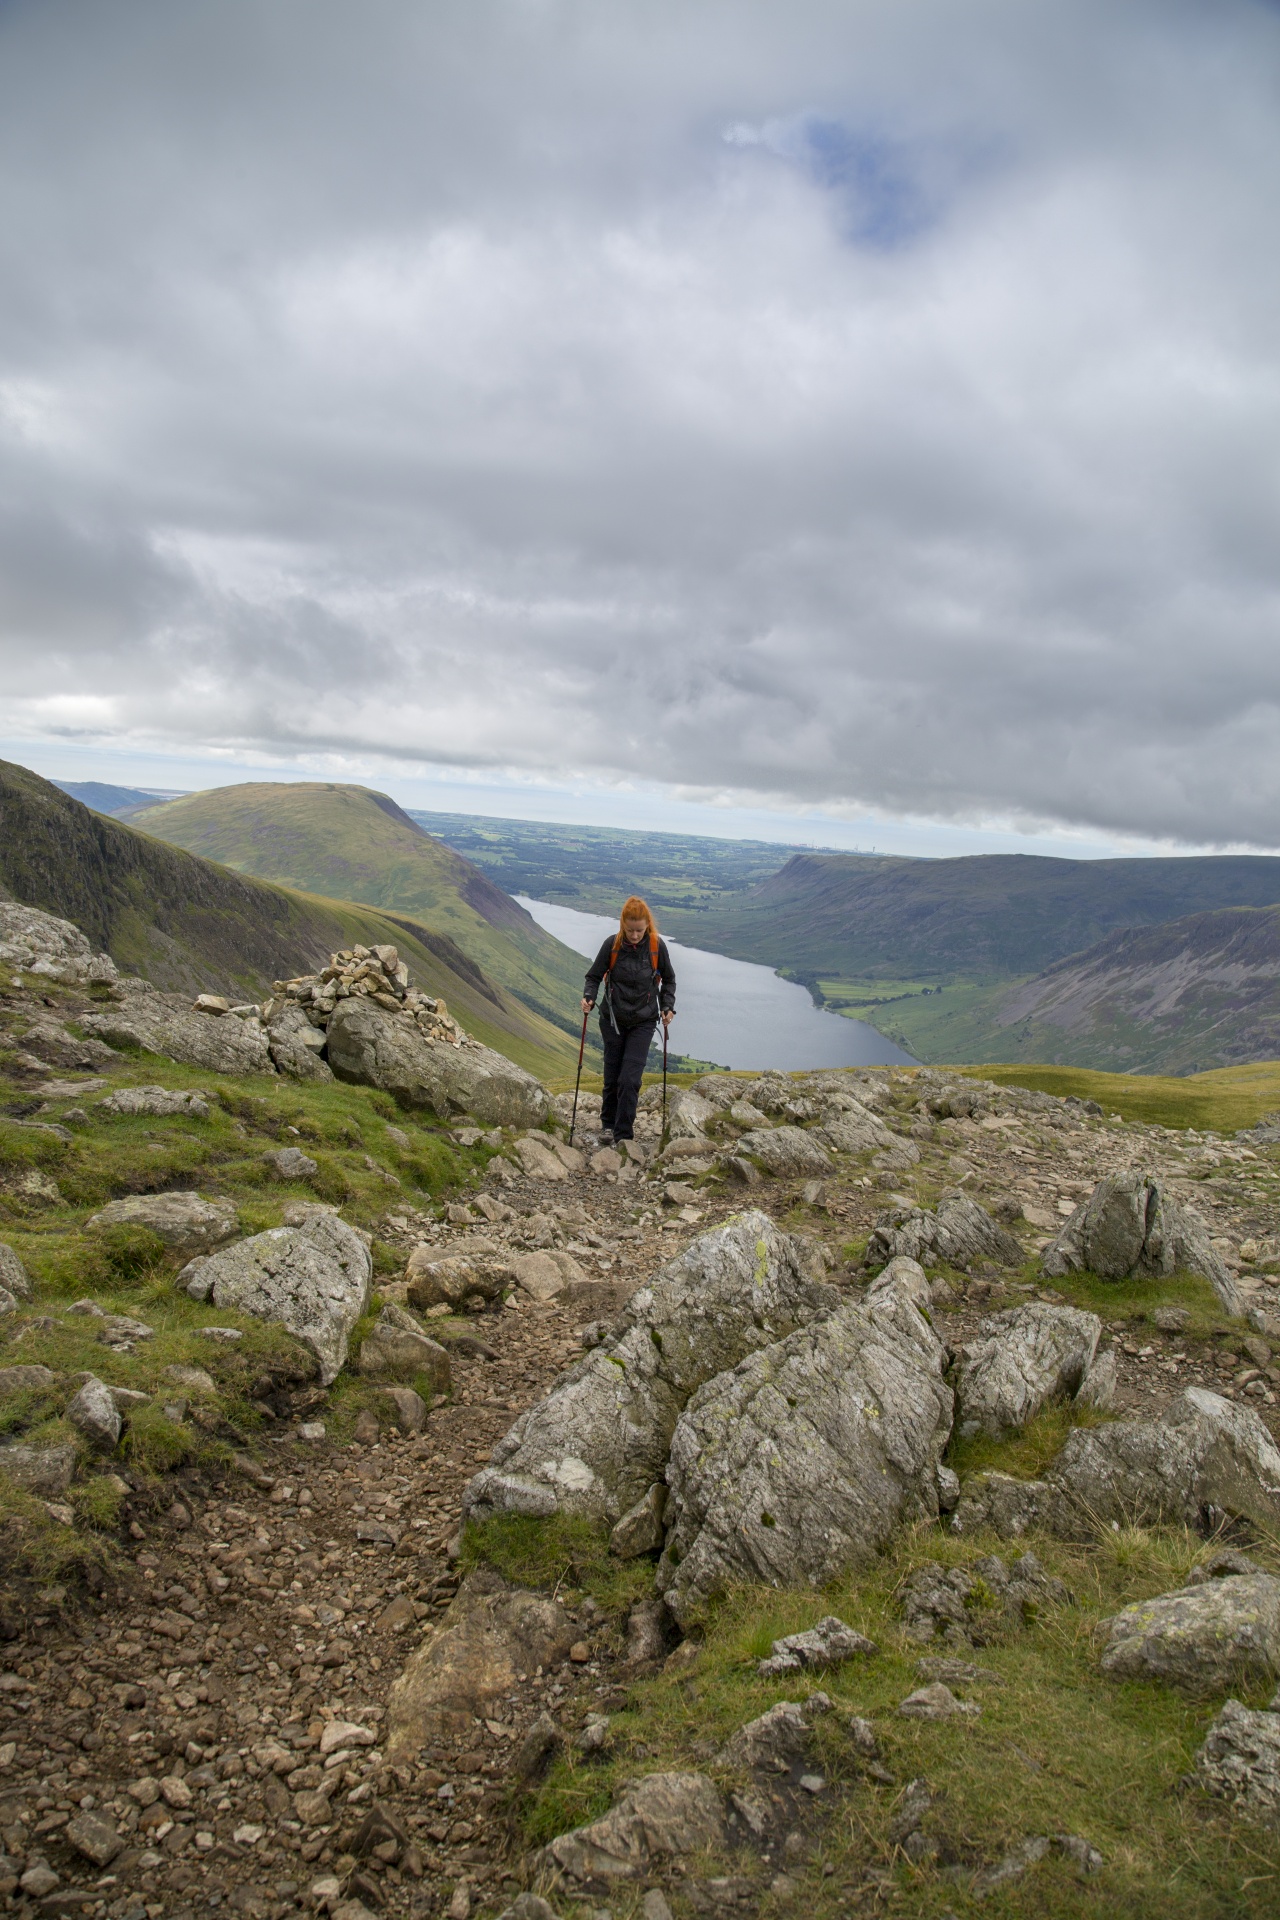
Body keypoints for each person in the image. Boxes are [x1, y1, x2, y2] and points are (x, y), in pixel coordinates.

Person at [582, 895, 676, 1145]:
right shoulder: (612, 945)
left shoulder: (656, 946)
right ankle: (607, 1126)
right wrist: (589, 997)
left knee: (630, 1079)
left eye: (639, 930)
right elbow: (594, 976)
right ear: (622, 924)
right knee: (613, 1076)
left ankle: (624, 1135)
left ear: (647, 925)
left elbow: (669, 979)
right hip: (612, 1020)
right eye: (630, 930)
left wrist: (668, 1006)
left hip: (644, 1021)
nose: (635, 935)